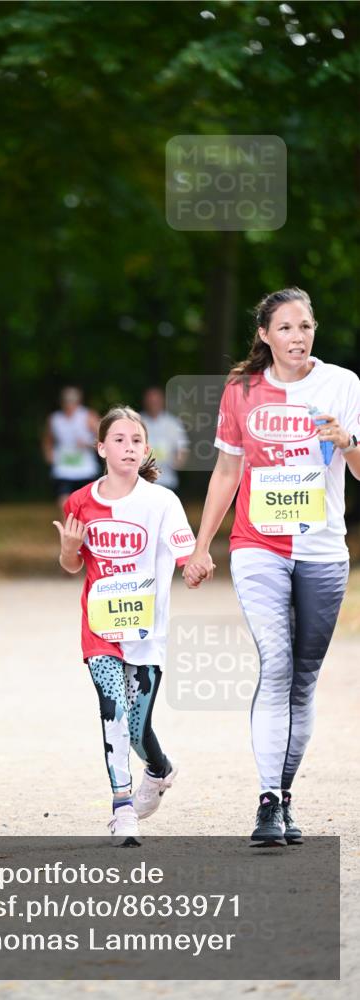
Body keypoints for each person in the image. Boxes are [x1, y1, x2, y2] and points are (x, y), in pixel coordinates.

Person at [184, 287, 360, 846]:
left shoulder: (343, 384)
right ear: (264, 334)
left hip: (323, 550)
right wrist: (199, 544)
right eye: (285, 328)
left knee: (302, 681)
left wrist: (348, 441)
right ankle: (266, 801)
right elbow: (226, 473)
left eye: (305, 326)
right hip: (258, 544)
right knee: (277, 663)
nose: (297, 337)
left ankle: (283, 796)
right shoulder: (241, 391)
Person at [54, 405, 196, 840]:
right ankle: (123, 808)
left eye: (136, 441)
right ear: (100, 447)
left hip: (146, 632)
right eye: (119, 440)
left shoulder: (162, 501)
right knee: (111, 711)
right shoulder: (79, 502)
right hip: (100, 629)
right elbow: (71, 566)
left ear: (146, 449)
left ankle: (158, 768)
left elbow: (186, 553)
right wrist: (69, 548)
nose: (129, 447)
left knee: (137, 730)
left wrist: (195, 566)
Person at [43, 387, 100, 509]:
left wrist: (87, 444)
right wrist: (49, 455)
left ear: (78, 401)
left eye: (72, 400)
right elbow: (47, 440)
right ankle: (66, 527)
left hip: (85, 470)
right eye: (66, 400)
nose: (69, 404)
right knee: (65, 506)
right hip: (63, 470)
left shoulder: (88, 416)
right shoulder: (55, 419)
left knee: (86, 509)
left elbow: (104, 441)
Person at [140, 386, 189, 492]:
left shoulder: (173, 423)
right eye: (151, 400)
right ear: (145, 401)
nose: (153, 403)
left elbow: (183, 449)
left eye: (156, 400)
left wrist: (177, 462)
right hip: (141, 482)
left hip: (168, 481)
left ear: (163, 401)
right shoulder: (137, 421)